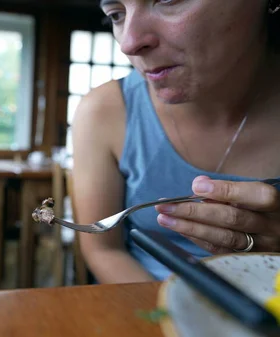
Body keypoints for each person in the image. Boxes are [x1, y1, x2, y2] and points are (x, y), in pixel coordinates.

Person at [71, 0, 280, 283]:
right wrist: (172, 317)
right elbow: (103, 250)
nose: (129, 43)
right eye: (116, 15)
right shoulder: (105, 111)